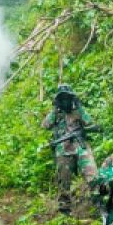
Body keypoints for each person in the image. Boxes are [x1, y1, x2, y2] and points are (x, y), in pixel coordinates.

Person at [41, 85, 99, 214]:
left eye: (67, 97)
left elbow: (90, 124)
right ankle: (64, 206)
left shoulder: (78, 110)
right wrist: (55, 110)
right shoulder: (56, 113)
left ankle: (98, 201)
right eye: (62, 98)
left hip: (81, 146)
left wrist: (79, 111)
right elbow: (45, 125)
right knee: (64, 178)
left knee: (92, 174)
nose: (65, 101)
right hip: (63, 148)